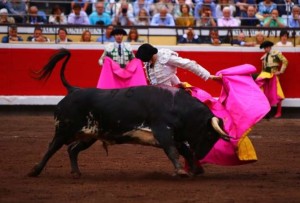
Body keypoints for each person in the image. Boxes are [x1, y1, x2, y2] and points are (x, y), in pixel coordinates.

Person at [135, 43, 270, 171]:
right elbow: (166, 78)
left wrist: (208, 76)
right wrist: (177, 83)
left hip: (173, 98)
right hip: (163, 99)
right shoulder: (148, 62)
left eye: (147, 60)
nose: (146, 63)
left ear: (152, 55)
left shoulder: (166, 57)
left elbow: (189, 65)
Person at [255, 40, 288, 118]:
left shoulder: (276, 53)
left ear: (270, 47)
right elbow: (263, 69)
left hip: (274, 75)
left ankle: (279, 111)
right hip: (266, 76)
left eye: (266, 48)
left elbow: (285, 61)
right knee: (266, 93)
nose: (265, 49)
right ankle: (266, 112)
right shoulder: (264, 57)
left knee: (277, 93)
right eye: (264, 48)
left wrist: (280, 71)